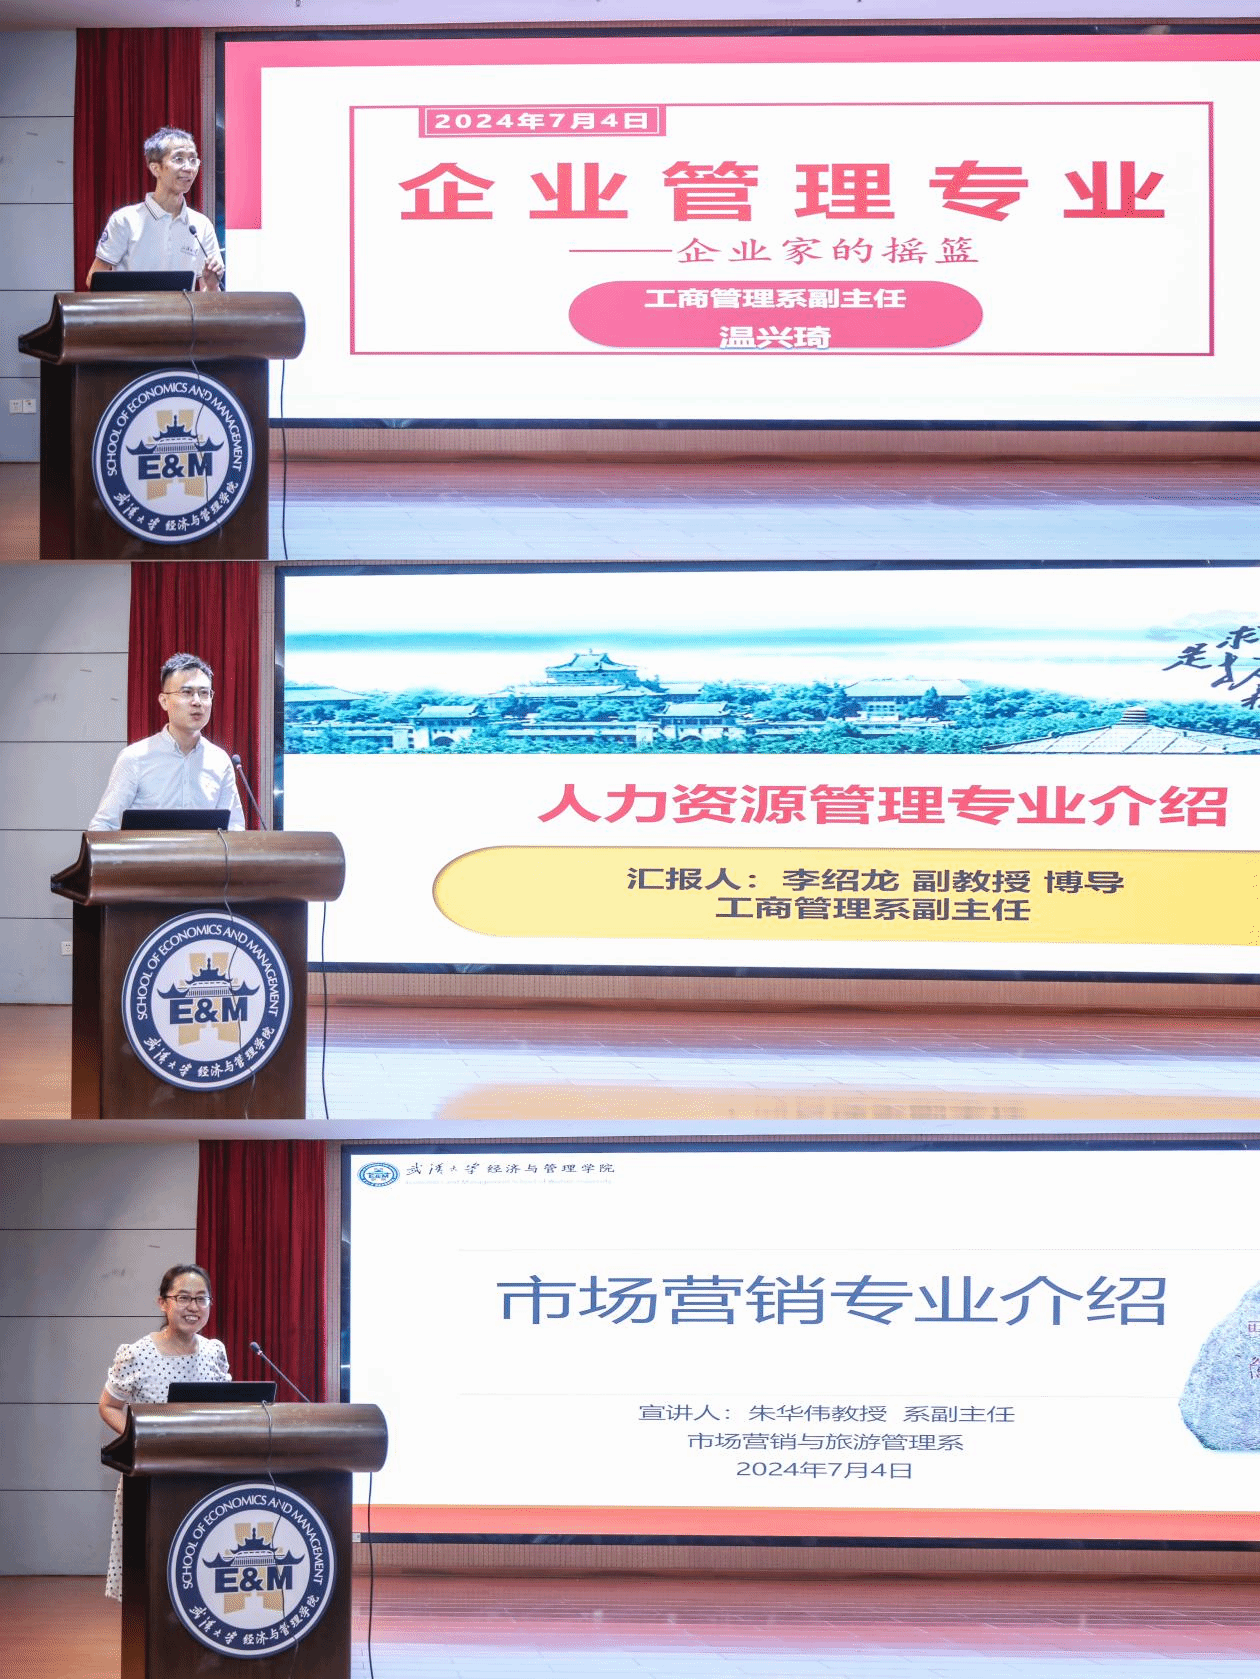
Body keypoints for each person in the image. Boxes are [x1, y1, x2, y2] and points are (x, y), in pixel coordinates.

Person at [99, 1263, 230, 1600]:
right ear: (163, 1303)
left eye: (201, 1299)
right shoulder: (137, 1354)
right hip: (151, 1477)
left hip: (204, 1478)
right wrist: (140, 1437)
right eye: (183, 1298)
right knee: (152, 1574)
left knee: (200, 1571)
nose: (193, 1307)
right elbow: (109, 1406)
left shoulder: (214, 1352)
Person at [89, 652, 245, 830]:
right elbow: (104, 825)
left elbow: (234, 827)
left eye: (204, 693)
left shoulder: (219, 761)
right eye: (186, 692)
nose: (197, 701)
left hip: (204, 850)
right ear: (164, 701)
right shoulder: (135, 758)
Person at [86, 127, 225, 290]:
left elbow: (209, 296)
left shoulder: (201, 225)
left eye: (193, 160)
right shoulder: (125, 220)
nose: (189, 168)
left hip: (183, 308)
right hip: (134, 307)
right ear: (155, 168)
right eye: (179, 159)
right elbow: (93, 280)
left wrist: (212, 285)